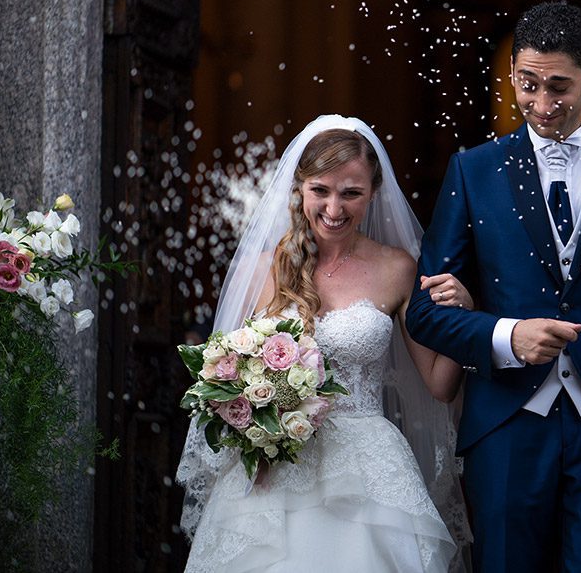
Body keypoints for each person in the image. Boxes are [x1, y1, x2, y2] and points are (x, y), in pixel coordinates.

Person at [406, 1, 581, 572]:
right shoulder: (474, 171)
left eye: (559, 86)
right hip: (506, 425)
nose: (542, 105)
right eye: (527, 84)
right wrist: (505, 334)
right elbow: (423, 312)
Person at [176, 115, 474, 573]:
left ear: (373, 192)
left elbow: (439, 384)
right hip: (275, 467)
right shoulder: (264, 269)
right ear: (300, 188)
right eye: (321, 190)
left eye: (351, 192)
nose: (334, 207)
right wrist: (253, 408)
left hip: (370, 467)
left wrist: (463, 319)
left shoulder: (398, 268)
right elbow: (224, 374)